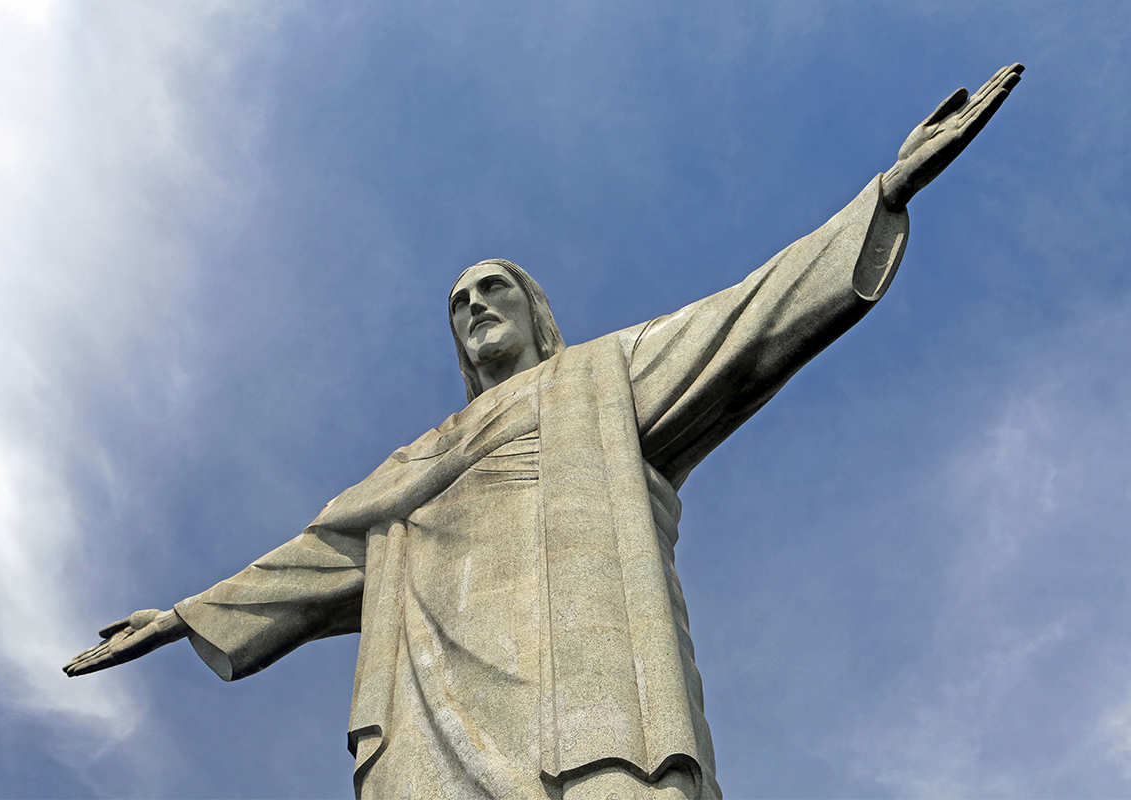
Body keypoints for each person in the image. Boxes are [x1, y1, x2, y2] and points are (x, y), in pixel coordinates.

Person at [65, 64, 1024, 800]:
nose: (476, 305)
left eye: (495, 289)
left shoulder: (600, 380)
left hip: (584, 671)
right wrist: (182, 616)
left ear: (534, 312)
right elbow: (322, 552)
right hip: (431, 690)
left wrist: (884, 194)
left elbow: (747, 320)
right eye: (458, 302)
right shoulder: (419, 459)